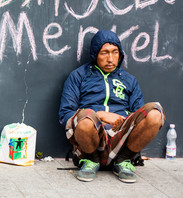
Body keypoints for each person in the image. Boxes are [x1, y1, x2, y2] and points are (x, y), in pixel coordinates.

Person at [59, 30, 165, 183]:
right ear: (96, 55)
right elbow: (65, 114)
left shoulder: (129, 80)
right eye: (104, 53)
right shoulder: (78, 76)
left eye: (115, 52)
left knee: (154, 113)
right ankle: (90, 161)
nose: (110, 59)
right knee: (86, 118)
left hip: (121, 138)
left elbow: (140, 117)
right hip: (92, 137)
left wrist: (123, 119)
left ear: (120, 54)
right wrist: (100, 115)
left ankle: (123, 161)